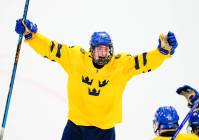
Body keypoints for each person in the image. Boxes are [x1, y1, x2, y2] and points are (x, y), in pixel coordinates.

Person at [15, 18, 178, 140]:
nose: (103, 52)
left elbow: (144, 62)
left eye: (106, 49)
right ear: (91, 50)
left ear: (110, 50)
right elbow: (51, 49)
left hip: (105, 132)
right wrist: (32, 35)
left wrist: (162, 52)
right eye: (99, 49)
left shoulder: (120, 65)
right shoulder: (76, 58)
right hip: (75, 127)